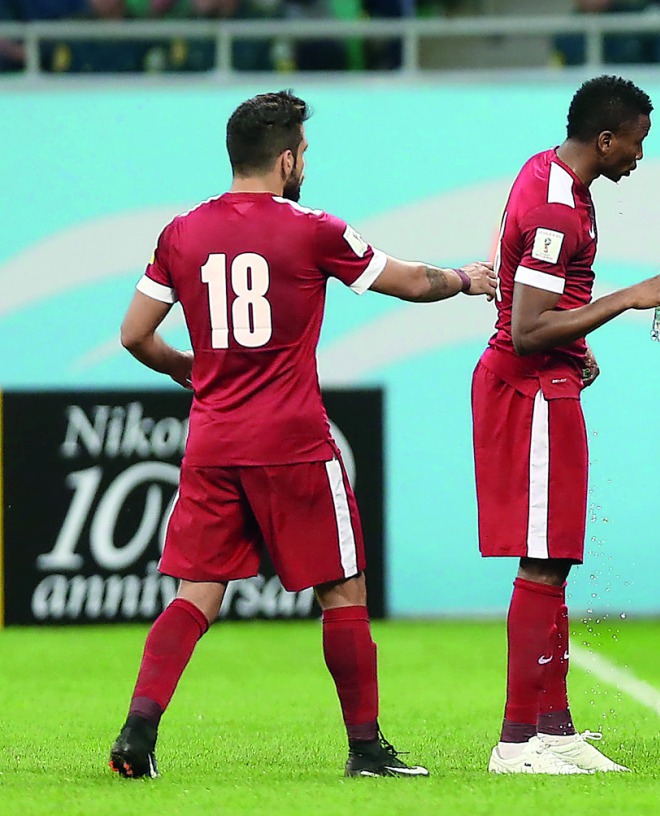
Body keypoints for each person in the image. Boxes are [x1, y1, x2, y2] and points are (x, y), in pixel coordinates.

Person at [110, 89, 498, 781]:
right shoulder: (314, 229)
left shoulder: (181, 233)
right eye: (304, 153)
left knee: (196, 594)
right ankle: (366, 750)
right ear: (286, 159)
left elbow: (135, 335)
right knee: (342, 592)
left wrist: (187, 371)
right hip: (293, 442)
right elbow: (411, 283)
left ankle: (137, 734)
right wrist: (466, 279)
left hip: (213, 443)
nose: (306, 164)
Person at [472, 75, 660, 775]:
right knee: (541, 558)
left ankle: (554, 729)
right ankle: (515, 740)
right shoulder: (557, 206)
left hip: (548, 381)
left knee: (557, 558)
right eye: (637, 142)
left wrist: (576, 346)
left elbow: (522, 294)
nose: (640, 156)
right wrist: (630, 298)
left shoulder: (553, 176)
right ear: (605, 138)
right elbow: (528, 329)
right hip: (528, 389)